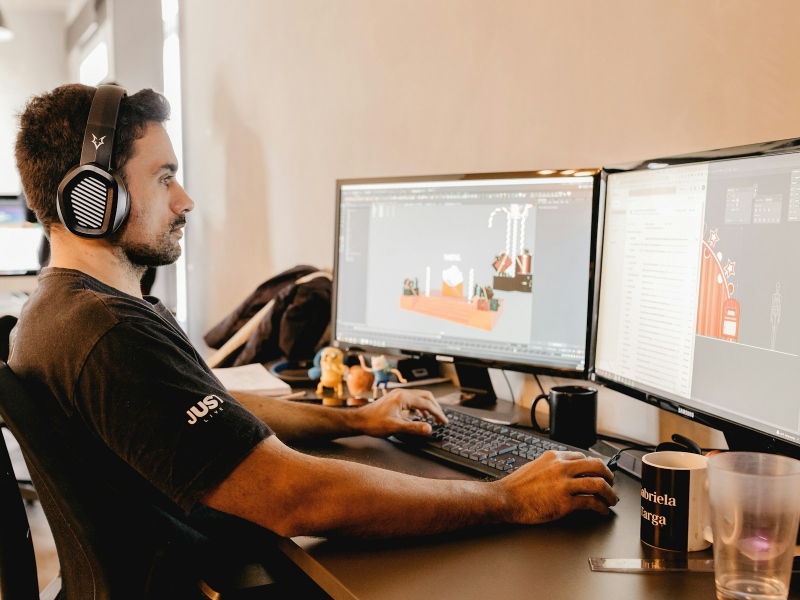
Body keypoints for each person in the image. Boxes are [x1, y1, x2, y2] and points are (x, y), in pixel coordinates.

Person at [10, 84, 616, 596]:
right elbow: (296, 498)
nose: (185, 199)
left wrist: (356, 418)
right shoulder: (109, 335)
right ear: (93, 199)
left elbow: (216, 410)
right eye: (164, 177)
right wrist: (508, 498)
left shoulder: (61, 308)